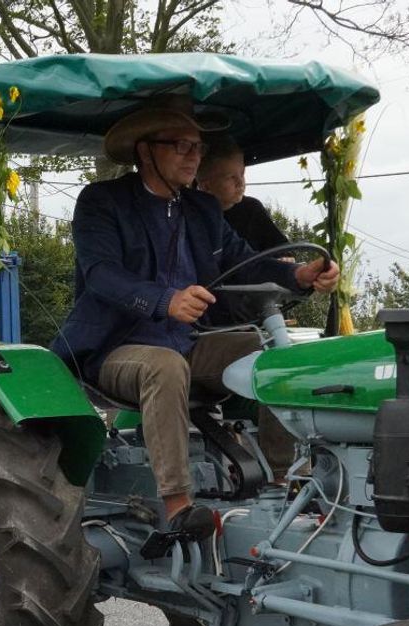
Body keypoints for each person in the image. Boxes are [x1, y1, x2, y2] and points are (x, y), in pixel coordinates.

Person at [52, 96, 338, 538]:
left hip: (187, 341)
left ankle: (281, 481)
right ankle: (178, 505)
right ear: (145, 151)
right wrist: (165, 300)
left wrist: (298, 275)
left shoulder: (201, 209)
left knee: (270, 354)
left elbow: (244, 261)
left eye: (198, 148)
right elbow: (102, 274)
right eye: (181, 146)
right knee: (163, 366)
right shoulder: (103, 201)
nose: (193, 156)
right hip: (114, 348)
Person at [196, 136, 296, 327]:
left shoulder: (252, 209)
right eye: (231, 177)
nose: (241, 183)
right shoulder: (193, 218)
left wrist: (288, 264)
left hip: (257, 311)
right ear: (206, 186)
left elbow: (280, 251)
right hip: (211, 318)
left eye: (242, 173)